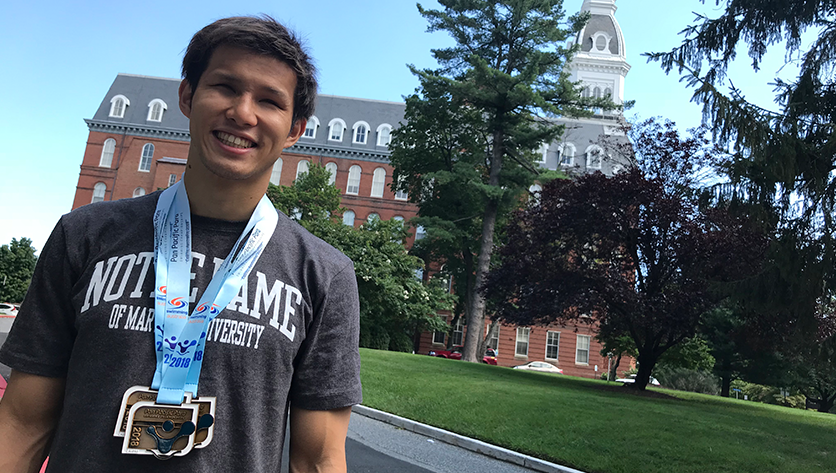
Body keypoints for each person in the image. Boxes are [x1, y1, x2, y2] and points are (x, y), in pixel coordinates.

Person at [0, 16, 361, 473]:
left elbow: (319, 460)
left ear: (294, 129)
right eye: (226, 87)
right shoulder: (83, 236)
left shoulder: (323, 273)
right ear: (188, 97)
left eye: (269, 101)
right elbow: (22, 424)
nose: (243, 114)